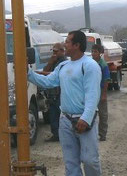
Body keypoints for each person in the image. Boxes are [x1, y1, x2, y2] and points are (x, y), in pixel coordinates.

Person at [27, 30, 102, 176]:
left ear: (76, 45)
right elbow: (48, 81)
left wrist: (85, 118)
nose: (64, 45)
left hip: (85, 120)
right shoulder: (63, 66)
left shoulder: (90, 66)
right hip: (66, 120)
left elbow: (93, 95)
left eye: (67, 42)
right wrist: (28, 73)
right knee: (71, 163)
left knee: (89, 160)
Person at [39, 42, 66, 142]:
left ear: (62, 51)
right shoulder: (53, 61)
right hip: (52, 93)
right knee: (53, 115)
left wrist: (40, 73)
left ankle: (64, 135)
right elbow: (46, 70)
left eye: (56, 51)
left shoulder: (64, 62)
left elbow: (54, 74)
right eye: (53, 51)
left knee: (62, 116)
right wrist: (50, 62)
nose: (54, 54)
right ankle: (56, 135)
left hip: (60, 93)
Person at [91, 44, 110, 141]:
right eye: (92, 51)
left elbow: (106, 80)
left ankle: (102, 134)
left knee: (102, 114)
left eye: (95, 52)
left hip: (100, 91)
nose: (93, 53)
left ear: (100, 53)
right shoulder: (90, 63)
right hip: (92, 92)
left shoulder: (103, 64)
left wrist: (104, 94)